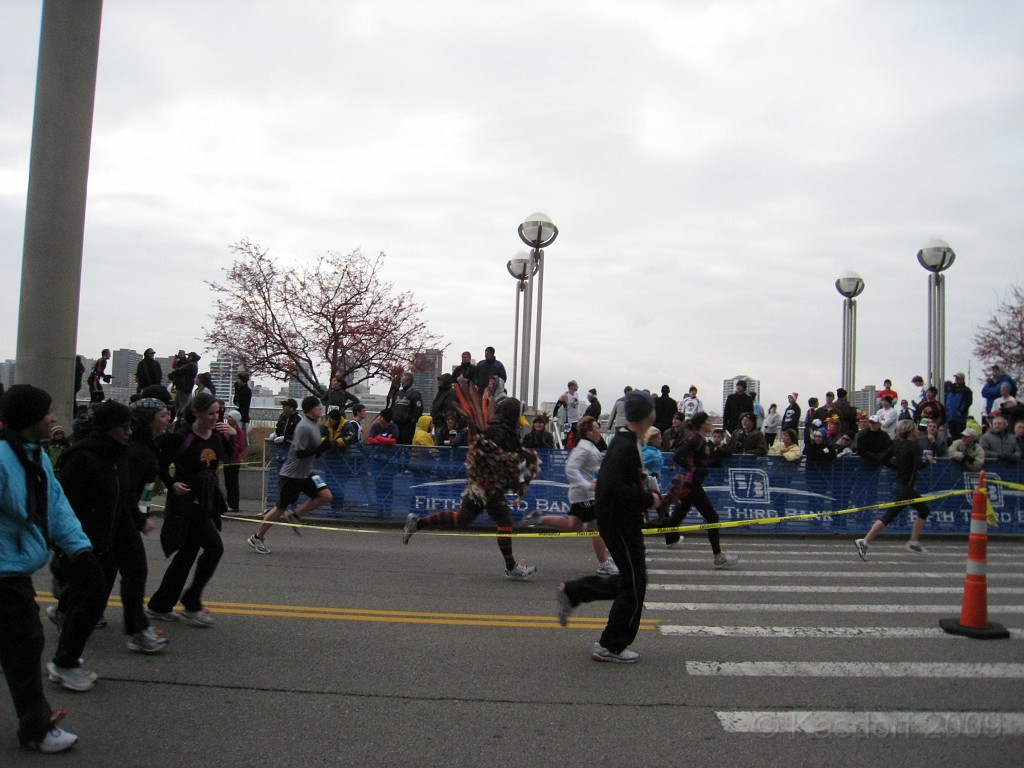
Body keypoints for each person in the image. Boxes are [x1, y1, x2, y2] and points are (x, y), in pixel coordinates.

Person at [0, 385, 96, 752]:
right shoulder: (3, 459)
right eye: (47, 412)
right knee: (24, 646)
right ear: (28, 420)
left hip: (13, 571)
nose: (54, 417)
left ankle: (36, 724)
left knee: (24, 645)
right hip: (4, 573)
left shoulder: (34, 457)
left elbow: (55, 506)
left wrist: (80, 550)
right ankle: (37, 730)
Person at [54, 400, 170, 681]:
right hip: (91, 538)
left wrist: (137, 519)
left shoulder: (120, 454)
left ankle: (68, 648)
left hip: (120, 527)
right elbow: (61, 504)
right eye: (123, 427)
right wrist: (66, 544)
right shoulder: (83, 457)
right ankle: (65, 658)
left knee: (107, 588)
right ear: (108, 428)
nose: (128, 432)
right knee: (93, 596)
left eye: (130, 426)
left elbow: (124, 495)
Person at [554, 391, 660, 663]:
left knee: (629, 581)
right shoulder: (625, 445)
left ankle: (574, 592)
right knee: (635, 585)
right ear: (648, 414)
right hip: (620, 524)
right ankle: (609, 645)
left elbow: (619, 485)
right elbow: (612, 490)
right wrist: (649, 499)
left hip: (621, 522)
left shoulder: (628, 442)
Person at [403, 397, 539, 580]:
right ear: (513, 416)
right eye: (519, 417)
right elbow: (496, 456)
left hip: (482, 484)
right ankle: (511, 567)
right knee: (505, 522)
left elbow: (509, 456)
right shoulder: (499, 432)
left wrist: (524, 463)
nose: (521, 422)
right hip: (488, 485)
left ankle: (417, 522)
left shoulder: (504, 431)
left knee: (463, 519)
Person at [147, 393, 232, 626]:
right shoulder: (182, 437)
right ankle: (191, 602)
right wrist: (171, 484)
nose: (215, 418)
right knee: (214, 548)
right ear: (197, 413)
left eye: (218, 413)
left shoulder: (215, 436)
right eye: (211, 413)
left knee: (187, 555)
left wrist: (232, 436)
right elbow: (161, 466)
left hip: (205, 502)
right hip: (186, 504)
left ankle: (160, 604)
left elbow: (226, 460)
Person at [522, 416, 618, 575]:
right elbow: (570, 469)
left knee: (574, 526)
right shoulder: (583, 448)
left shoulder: (589, 446)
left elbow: (589, 468)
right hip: (584, 494)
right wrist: (588, 485)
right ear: (588, 431)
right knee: (598, 527)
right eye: (596, 428)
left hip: (583, 494)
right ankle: (604, 564)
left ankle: (539, 518)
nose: (599, 430)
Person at [248, 396, 332, 555]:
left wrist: (323, 448)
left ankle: (295, 516)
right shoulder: (304, 427)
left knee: (325, 495)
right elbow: (300, 453)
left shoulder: (315, 426)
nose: (321, 408)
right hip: (292, 474)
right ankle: (257, 537)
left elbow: (313, 452)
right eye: (318, 406)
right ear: (310, 409)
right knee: (281, 507)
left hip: (306, 473)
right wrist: (319, 449)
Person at [661, 412, 740, 567]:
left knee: (675, 519)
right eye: (709, 420)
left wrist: (718, 457)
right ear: (703, 423)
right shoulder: (695, 439)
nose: (712, 422)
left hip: (690, 484)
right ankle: (718, 557)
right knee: (712, 518)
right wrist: (693, 468)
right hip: (691, 485)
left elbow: (703, 461)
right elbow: (677, 456)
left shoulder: (702, 441)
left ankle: (644, 532)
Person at [855, 419, 934, 559]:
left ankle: (866, 541)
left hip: (899, 484)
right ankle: (912, 542)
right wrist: (928, 460)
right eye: (915, 429)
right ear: (910, 431)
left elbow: (882, 458)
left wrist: (896, 467)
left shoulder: (896, 443)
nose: (917, 431)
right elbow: (919, 466)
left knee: (894, 515)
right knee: (920, 510)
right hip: (905, 487)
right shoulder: (913, 446)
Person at [222, 409, 247, 511]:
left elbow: (240, 446)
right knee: (228, 482)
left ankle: (234, 504)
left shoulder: (238, 431)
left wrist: (231, 451)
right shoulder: (227, 429)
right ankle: (229, 502)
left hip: (234, 460)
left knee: (232, 482)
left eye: (230, 417)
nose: (228, 418)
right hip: (227, 460)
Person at [390, 372, 423, 445]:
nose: (402, 381)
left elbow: (418, 410)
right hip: (396, 425)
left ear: (409, 381)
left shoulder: (415, 394)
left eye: (404, 380)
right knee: (395, 445)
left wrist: (410, 420)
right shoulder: (398, 393)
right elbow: (392, 407)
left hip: (407, 427)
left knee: (406, 446)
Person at [944, 372, 973, 440]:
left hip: (959, 418)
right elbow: (947, 402)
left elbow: (967, 402)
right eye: (956, 378)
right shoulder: (950, 390)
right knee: (952, 435)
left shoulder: (966, 390)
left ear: (962, 379)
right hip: (950, 416)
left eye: (958, 378)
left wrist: (961, 411)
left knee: (960, 435)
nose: (956, 379)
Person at [430, 373, 457, 445]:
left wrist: (441, 416)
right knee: (438, 443)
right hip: (437, 422)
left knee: (440, 444)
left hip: (443, 424)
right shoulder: (440, 393)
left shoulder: (451, 393)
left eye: (441, 381)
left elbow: (449, 408)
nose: (439, 383)